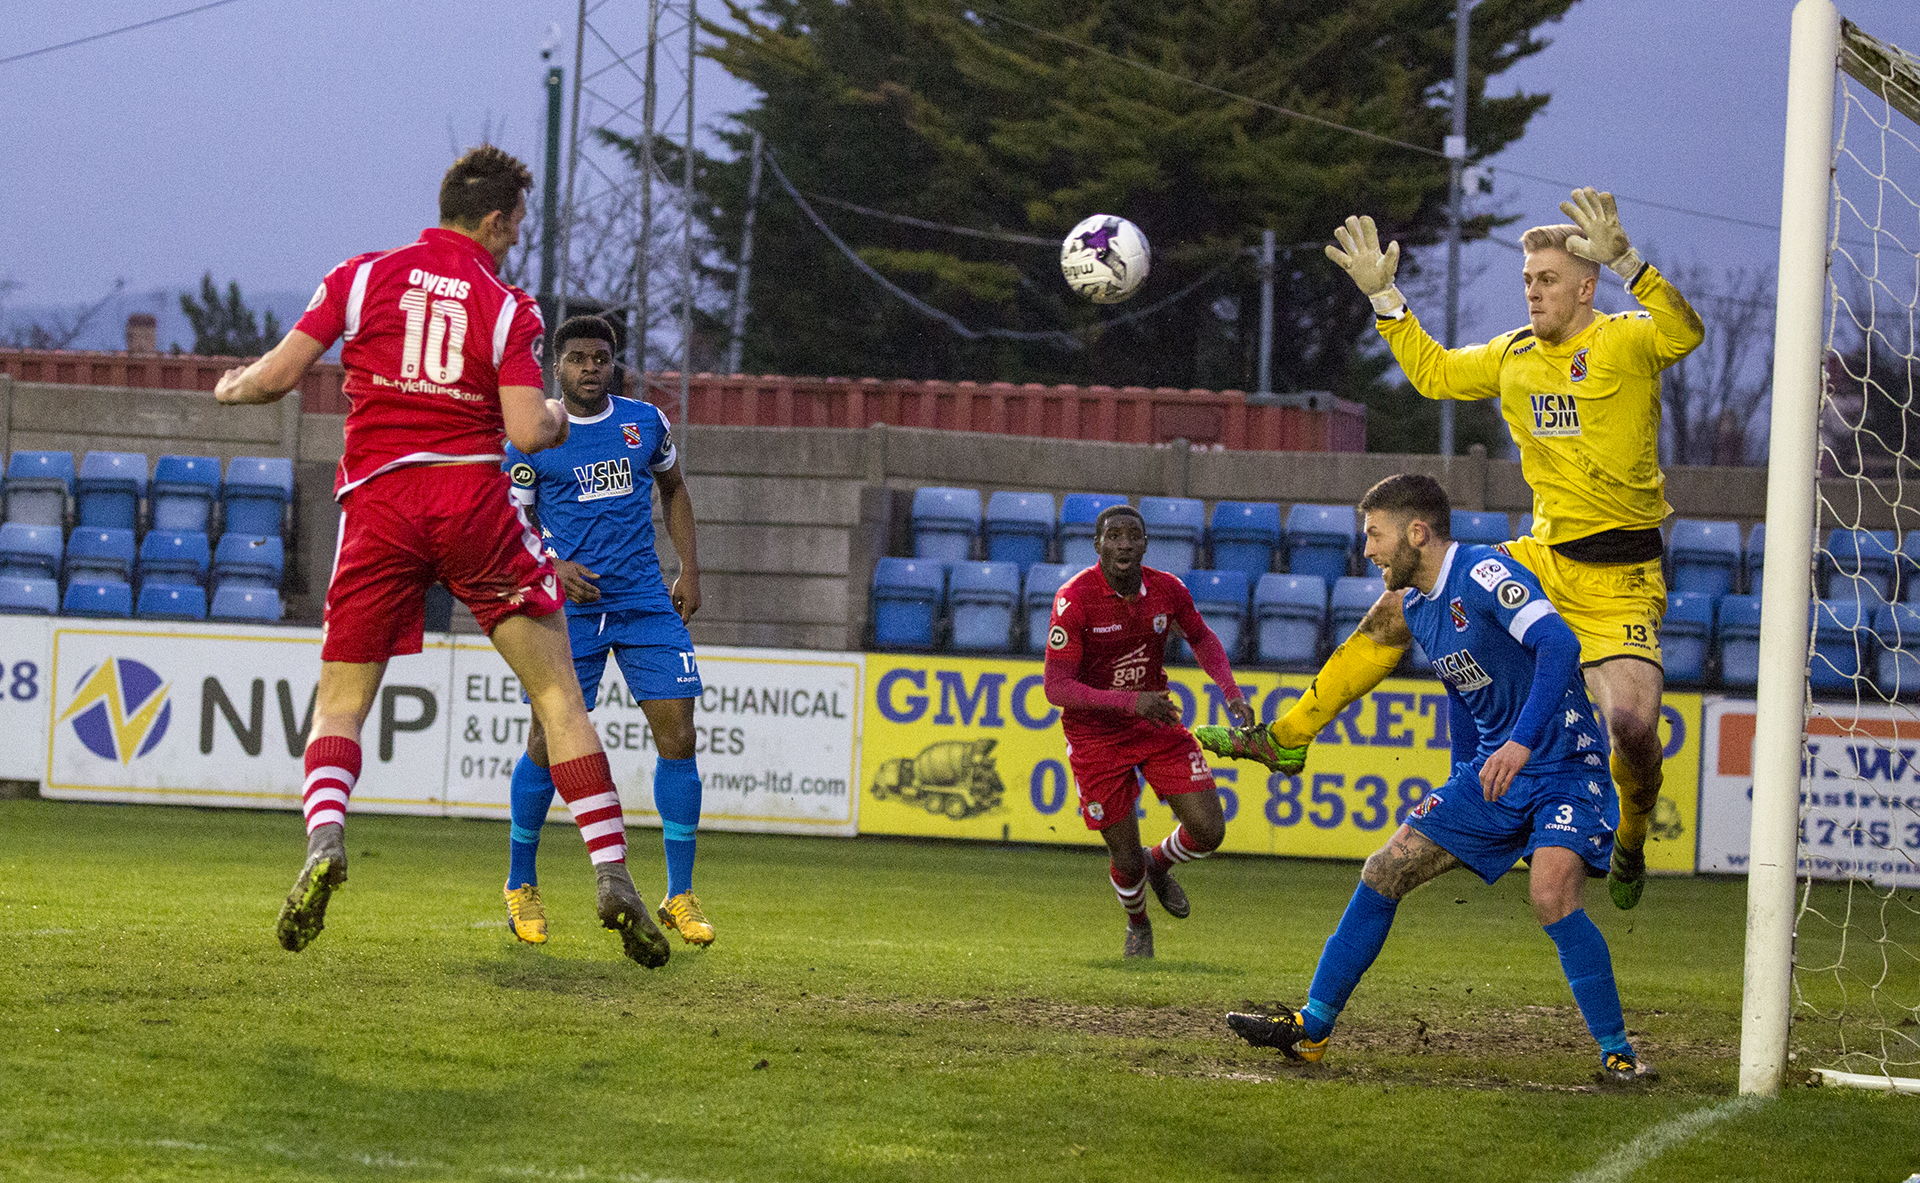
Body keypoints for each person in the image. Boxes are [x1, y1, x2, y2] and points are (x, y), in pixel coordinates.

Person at [214, 146, 671, 968]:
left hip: (380, 507)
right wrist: (566, 423)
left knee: (341, 706)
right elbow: (531, 431)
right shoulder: (506, 305)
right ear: (495, 220)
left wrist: (230, 387)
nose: (516, 240)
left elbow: (277, 377)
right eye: (517, 226)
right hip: (470, 505)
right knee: (559, 695)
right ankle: (612, 875)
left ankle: (324, 842)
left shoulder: (359, 276)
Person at [1202, 188, 1704, 910]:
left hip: (1621, 578)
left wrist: (1630, 258)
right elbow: (1433, 373)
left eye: (1548, 279)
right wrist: (1385, 298)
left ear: (1588, 286)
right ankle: (1286, 736)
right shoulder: (1513, 355)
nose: (1532, 291)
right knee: (1397, 606)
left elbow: (1687, 333)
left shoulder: (1627, 339)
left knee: (1631, 729)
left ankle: (1630, 834)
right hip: (1543, 555)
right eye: (1527, 279)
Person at [1221, 475, 1650, 1082]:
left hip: (1563, 765)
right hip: (1494, 776)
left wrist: (1522, 743)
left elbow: (1558, 644)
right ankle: (1309, 1030)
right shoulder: (1420, 610)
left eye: (1375, 535)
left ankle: (1618, 1053)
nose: (1367, 550)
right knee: (1384, 868)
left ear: (1416, 533)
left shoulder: (1483, 575)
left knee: (1551, 894)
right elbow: (1467, 699)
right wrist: (1462, 789)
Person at [499, 314, 712, 948]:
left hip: (645, 600)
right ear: (556, 368)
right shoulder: (534, 437)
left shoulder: (644, 423)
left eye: (601, 358)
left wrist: (690, 568)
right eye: (578, 359)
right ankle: (520, 882)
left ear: (613, 364)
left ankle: (679, 893)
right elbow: (511, 525)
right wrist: (554, 567)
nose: (591, 368)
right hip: (568, 609)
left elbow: (673, 489)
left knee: (679, 733)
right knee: (547, 738)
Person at [1043, 504, 1255, 958]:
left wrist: (1230, 690)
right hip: (1095, 736)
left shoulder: (1167, 589)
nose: (1123, 543)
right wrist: (1131, 700)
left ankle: (1156, 864)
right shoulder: (1074, 599)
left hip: (1153, 721)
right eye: (1113, 536)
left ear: (1145, 543)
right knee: (1123, 854)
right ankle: (1138, 925)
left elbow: (1200, 636)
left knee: (1208, 831)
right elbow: (1056, 687)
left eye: (1132, 536)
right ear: (1097, 544)